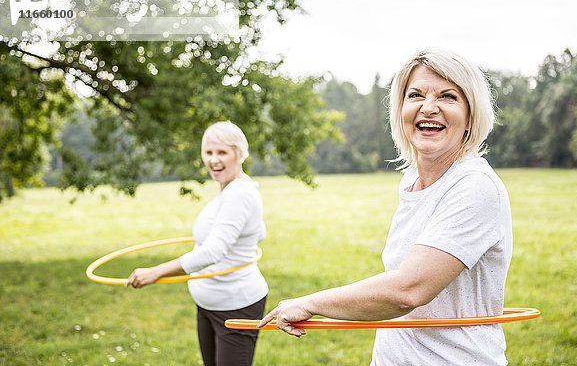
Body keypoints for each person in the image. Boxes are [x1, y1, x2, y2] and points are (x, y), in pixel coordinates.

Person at [258, 49, 513, 365]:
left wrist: (310, 303)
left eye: (448, 97)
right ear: (401, 109)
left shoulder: (475, 186)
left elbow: (407, 290)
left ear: (470, 114)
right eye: (415, 95)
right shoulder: (410, 181)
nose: (428, 107)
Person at [127, 121, 268, 366]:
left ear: (239, 153)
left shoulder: (239, 193)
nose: (213, 160)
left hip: (235, 305)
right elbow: (259, 233)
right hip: (209, 302)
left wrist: (155, 272)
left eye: (222, 152)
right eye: (209, 152)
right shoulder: (230, 189)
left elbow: (213, 251)